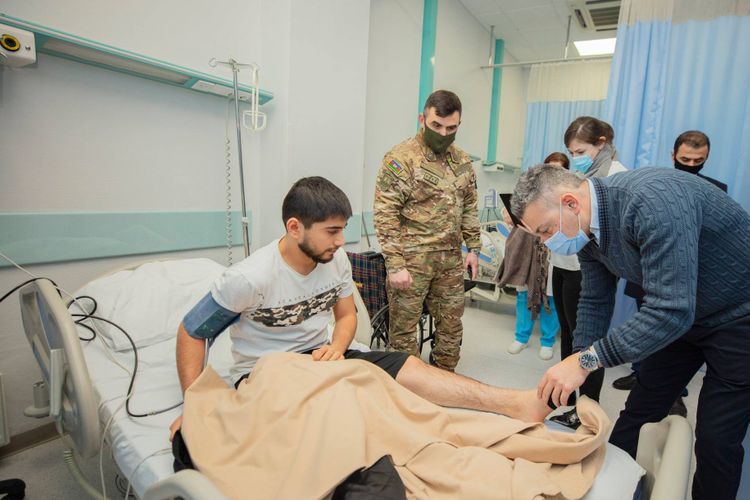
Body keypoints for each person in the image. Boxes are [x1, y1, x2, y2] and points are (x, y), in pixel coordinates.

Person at [170, 176, 552, 440]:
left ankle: (512, 402)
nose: (341, 241)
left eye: (343, 230)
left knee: (407, 367)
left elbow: (347, 315)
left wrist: (338, 347)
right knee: (342, 413)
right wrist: (196, 402)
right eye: (332, 231)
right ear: (294, 227)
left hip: (320, 359)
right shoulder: (249, 279)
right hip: (266, 371)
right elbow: (192, 331)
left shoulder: (336, 262)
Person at [511, 164, 750, 500]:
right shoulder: (587, 233)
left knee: (716, 438)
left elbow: (670, 311)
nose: (547, 243)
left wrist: (587, 360)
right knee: (640, 409)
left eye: (546, 230)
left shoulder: (652, 202)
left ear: (570, 203)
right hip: (686, 317)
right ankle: (612, 489)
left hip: (738, 316)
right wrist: (580, 357)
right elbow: (594, 300)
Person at [615, 130, 726, 418]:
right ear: (672, 156)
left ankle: (675, 393)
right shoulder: (653, 184)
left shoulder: (716, 190)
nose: (691, 165)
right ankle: (640, 373)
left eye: (698, 160)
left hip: (684, 277)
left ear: (707, 158)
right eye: (685, 158)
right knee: (644, 329)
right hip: (645, 272)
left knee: (673, 337)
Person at [373, 90, 480, 371]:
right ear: (423, 118)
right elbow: (386, 213)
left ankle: (443, 379)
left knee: (451, 328)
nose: (444, 133)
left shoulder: (462, 162)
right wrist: (395, 265)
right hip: (412, 260)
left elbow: (469, 206)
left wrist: (474, 248)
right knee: (405, 332)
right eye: (437, 126)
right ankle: (407, 389)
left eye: (451, 128)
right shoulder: (401, 158)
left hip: (450, 260)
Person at [547, 117, 628, 428]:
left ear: (602, 143)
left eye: (580, 150)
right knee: (569, 332)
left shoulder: (618, 178)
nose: (575, 156)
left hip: (591, 270)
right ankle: (569, 398)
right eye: (571, 151)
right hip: (567, 263)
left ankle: (588, 408)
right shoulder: (581, 178)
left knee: (590, 338)